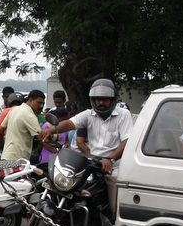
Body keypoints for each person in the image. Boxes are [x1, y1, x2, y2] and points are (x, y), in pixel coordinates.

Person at [43, 79, 134, 215]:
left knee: (115, 207)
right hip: (91, 164)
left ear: (113, 99)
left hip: (113, 168)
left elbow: (126, 141)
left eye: (104, 99)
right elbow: (69, 123)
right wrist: (51, 130)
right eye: (97, 99)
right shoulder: (88, 114)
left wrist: (110, 159)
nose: (100, 103)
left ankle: (113, 225)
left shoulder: (123, 115)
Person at [0, 90, 45, 163]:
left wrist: (2, 145)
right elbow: (42, 137)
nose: (41, 106)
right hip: (18, 160)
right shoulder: (30, 115)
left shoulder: (14, 110)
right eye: (39, 103)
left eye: (43, 104)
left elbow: (0, 131)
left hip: (6, 156)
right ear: (30, 100)